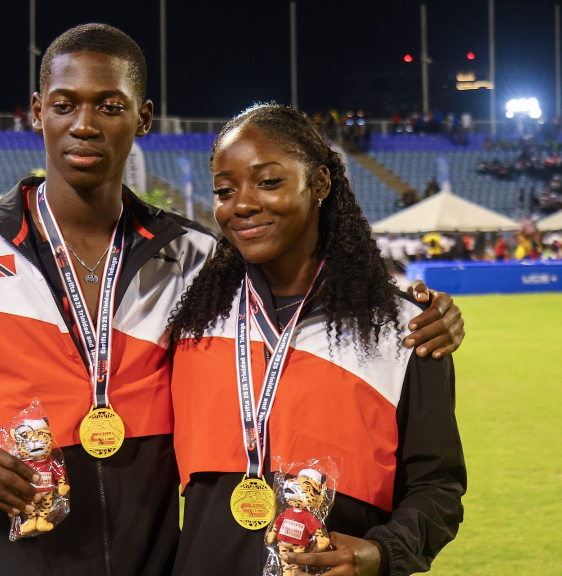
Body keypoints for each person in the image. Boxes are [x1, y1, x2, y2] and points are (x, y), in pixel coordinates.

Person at [0, 25, 466, 576]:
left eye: (111, 106)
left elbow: (303, 288)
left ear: (143, 118)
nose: (86, 124)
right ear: (38, 112)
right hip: (5, 552)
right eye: (65, 105)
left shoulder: (199, 262)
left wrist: (417, 311)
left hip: (151, 559)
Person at [168, 104, 465, 576]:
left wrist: (382, 552)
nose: (241, 204)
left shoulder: (404, 329)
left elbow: (438, 488)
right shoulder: (191, 321)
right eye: (224, 190)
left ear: (321, 184)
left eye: (269, 182)